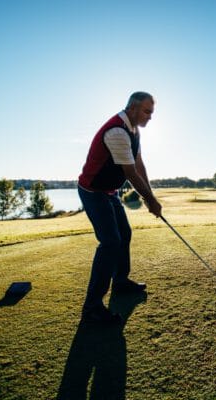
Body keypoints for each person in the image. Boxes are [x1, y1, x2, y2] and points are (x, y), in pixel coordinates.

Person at [78, 91, 162, 323]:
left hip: (108, 192)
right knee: (110, 242)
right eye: (147, 111)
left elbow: (139, 164)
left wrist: (151, 196)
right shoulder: (117, 131)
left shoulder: (134, 131)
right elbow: (130, 173)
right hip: (93, 191)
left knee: (124, 234)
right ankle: (92, 308)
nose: (150, 117)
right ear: (133, 108)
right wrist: (150, 201)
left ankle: (121, 282)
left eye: (151, 112)